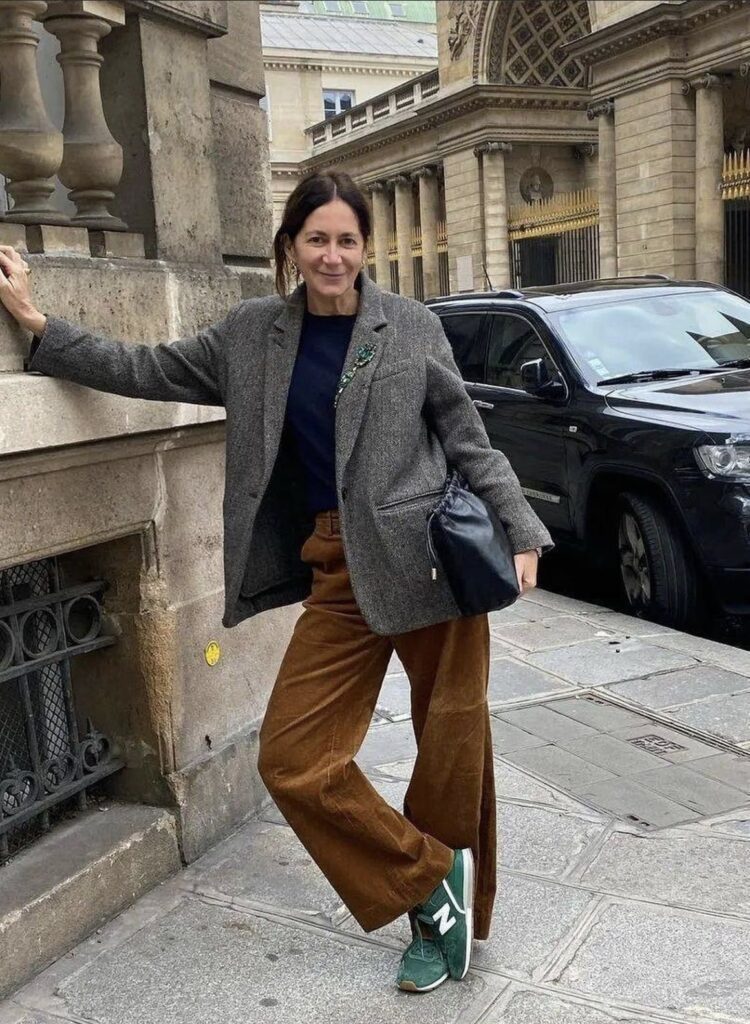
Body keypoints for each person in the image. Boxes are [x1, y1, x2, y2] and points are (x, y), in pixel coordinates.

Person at [0, 170, 552, 994]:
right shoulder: (252, 334)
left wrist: (521, 528)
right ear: (290, 246)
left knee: (452, 748)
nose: (333, 256)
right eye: (317, 239)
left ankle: (440, 924)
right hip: (337, 570)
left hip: (430, 562)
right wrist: (39, 328)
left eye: (347, 240)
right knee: (294, 758)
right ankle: (430, 876)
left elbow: (467, 437)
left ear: (366, 247)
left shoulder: (409, 327)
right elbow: (147, 367)